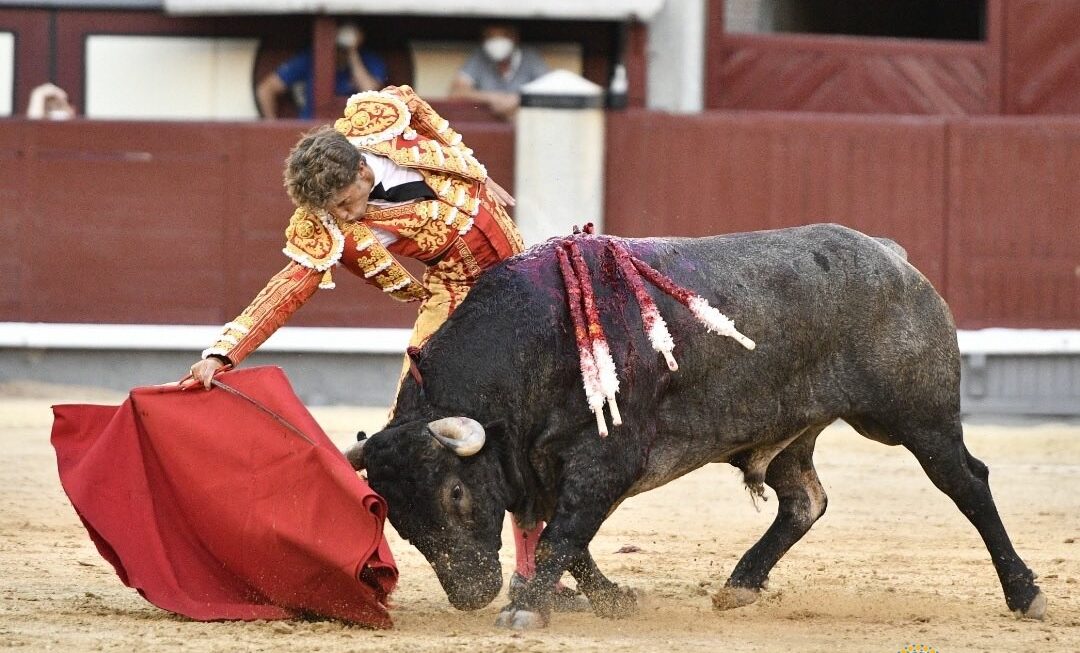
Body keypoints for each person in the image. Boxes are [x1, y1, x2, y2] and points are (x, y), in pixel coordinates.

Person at [183, 85, 584, 611]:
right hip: (457, 300)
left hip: (522, 282)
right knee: (410, 436)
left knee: (552, 421)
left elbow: (411, 101)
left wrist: (476, 171)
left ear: (363, 171)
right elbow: (287, 290)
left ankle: (542, 571)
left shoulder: (377, 121)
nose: (347, 218)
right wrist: (224, 353)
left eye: (348, 202)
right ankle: (365, 565)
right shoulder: (327, 224)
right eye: (335, 211)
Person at [256, 22, 388, 119]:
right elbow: (266, 89)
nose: (340, 52)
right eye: (338, 47)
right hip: (312, 134)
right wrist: (272, 126)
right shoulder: (311, 58)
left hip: (353, 133)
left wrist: (352, 53)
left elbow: (370, 93)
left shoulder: (370, 60)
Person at [449, 24, 549, 121]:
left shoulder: (530, 57)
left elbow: (549, 90)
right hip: (489, 127)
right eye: (491, 37)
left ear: (514, 38)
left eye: (503, 36)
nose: (497, 42)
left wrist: (518, 99)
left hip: (525, 126)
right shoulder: (480, 57)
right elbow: (457, 91)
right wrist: (492, 98)